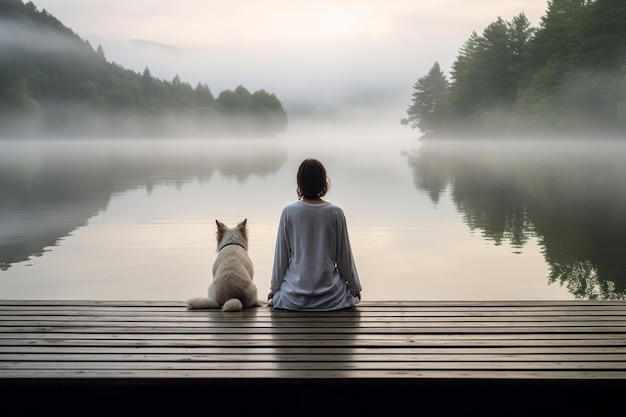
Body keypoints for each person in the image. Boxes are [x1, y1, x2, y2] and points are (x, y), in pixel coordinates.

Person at [268, 158, 362, 311]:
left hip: (294, 298)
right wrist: (355, 287)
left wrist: (274, 288)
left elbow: (281, 257)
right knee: (348, 297)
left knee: (279, 297)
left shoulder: (289, 212)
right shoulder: (336, 213)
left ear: (300, 183)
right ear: (324, 183)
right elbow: (344, 258)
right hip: (331, 298)